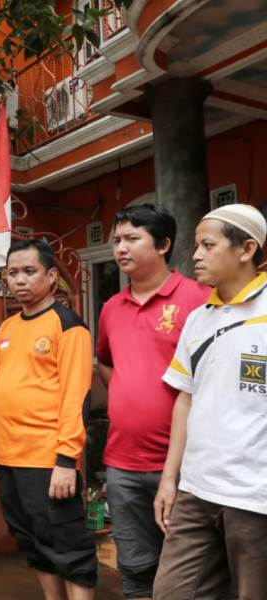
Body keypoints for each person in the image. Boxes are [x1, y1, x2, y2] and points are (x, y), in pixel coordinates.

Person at [95, 205, 209, 600]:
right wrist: (130, 395)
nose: (120, 248)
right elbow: (106, 363)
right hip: (122, 463)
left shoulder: (199, 299)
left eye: (131, 239)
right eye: (116, 241)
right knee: (135, 568)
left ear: (163, 245)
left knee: (191, 574)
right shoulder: (111, 308)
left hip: (185, 465)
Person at [155, 204, 267, 599]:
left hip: (255, 497)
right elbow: (185, 399)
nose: (195, 256)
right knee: (172, 592)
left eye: (207, 245)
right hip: (197, 490)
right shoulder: (199, 319)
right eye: (196, 245)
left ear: (246, 248)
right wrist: (170, 479)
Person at [0, 238, 97, 600]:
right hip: (9, 459)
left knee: (69, 548)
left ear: (50, 277)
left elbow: (76, 399)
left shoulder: (68, 325)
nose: (20, 280)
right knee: (32, 542)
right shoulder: (8, 328)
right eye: (13, 273)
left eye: (29, 272)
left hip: (48, 459)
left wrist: (66, 461)